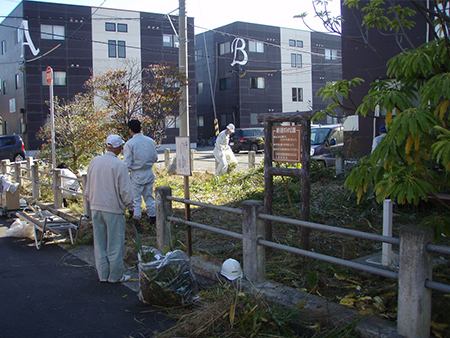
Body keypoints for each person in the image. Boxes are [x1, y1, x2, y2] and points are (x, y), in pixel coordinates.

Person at [85, 134, 135, 283]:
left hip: (95, 206)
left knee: (99, 243)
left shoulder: (94, 162)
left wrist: (89, 201)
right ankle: (115, 276)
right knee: (114, 243)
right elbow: (125, 190)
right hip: (113, 208)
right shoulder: (119, 165)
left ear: (107, 146)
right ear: (119, 147)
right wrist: (131, 205)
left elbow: (87, 186)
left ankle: (103, 274)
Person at [123, 119, 158, 225]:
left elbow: (127, 163)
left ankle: (137, 220)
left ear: (130, 130)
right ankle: (153, 219)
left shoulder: (130, 144)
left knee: (136, 199)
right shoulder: (150, 141)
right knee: (149, 197)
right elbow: (155, 158)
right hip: (149, 171)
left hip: (136, 173)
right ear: (141, 128)